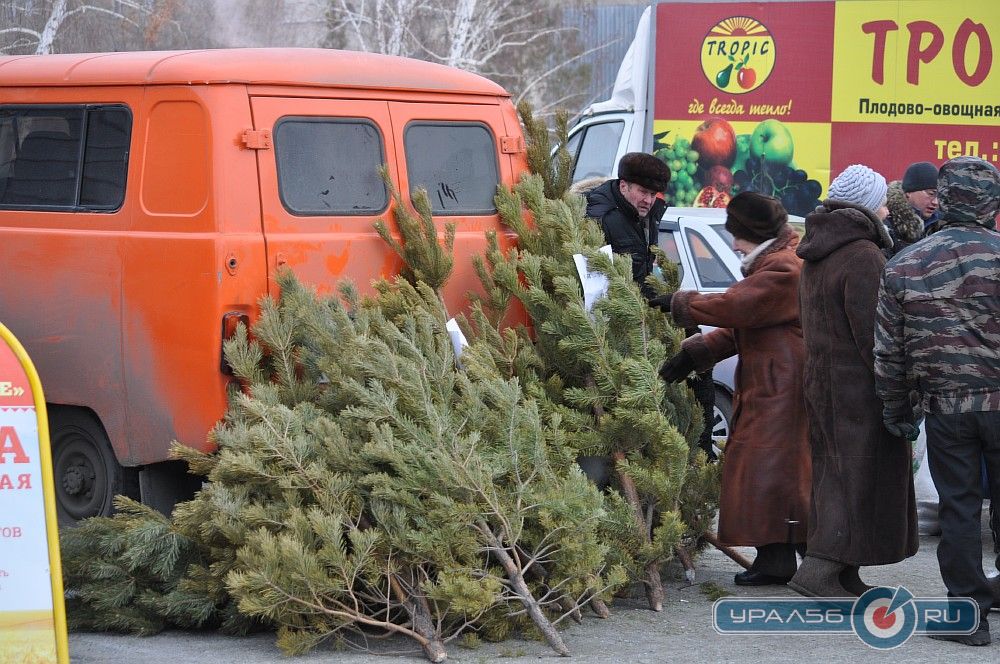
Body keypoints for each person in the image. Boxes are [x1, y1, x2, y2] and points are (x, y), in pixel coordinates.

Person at [874, 156, 1000, 646]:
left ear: (943, 200)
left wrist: (896, 409)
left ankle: (968, 618)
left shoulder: (907, 263)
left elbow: (889, 351)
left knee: (960, 509)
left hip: (947, 411)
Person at [658, 191, 810, 585]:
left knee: (776, 472)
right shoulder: (775, 263)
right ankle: (777, 557)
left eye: (737, 235)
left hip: (783, 387)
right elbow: (748, 321)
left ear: (754, 234)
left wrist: (681, 303)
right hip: (771, 382)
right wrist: (700, 351)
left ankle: (807, 558)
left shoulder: (784, 269)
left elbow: (738, 306)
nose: (733, 243)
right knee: (767, 472)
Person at [791, 164, 918, 598]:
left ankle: (844, 571)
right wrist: (898, 388)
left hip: (825, 384)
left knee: (837, 474)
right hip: (860, 391)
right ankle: (821, 569)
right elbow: (874, 335)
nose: (886, 209)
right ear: (864, 204)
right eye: (881, 200)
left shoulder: (818, 251)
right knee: (862, 478)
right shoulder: (862, 255)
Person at [584, 152, 670, 300]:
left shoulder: (648, 215)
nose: (648, 200)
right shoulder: (600, 217)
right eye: (643, 192)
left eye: (653, 194)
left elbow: (643, 274)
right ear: (624, 186)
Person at [883, 161, 940, 259]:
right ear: (909, 192)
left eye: (939, 195)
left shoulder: (939, 226)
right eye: (931, 194)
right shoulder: (888, 226)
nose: (936, 202)